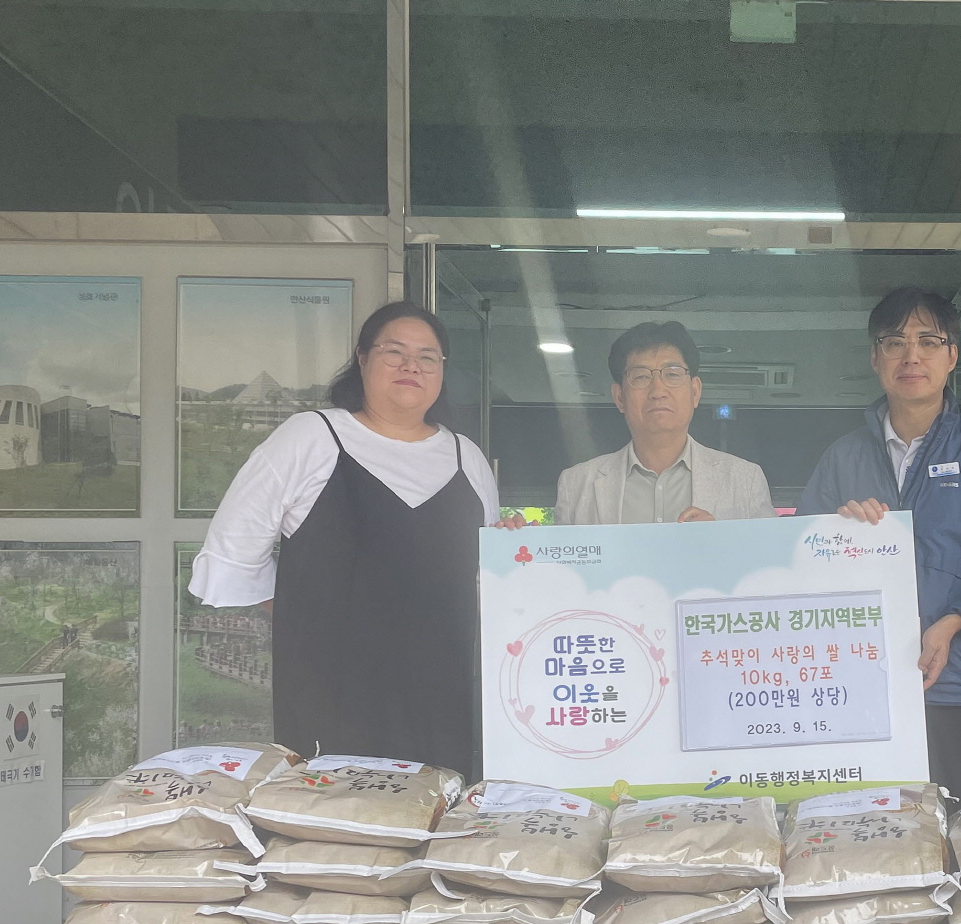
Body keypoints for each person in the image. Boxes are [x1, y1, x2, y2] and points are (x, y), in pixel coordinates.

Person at [190, 301, 502, 773]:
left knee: (436, 820)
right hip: (330, 690)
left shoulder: (467, 459)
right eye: (394, 352)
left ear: (441, 370)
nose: (410, 366)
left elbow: (485, 580)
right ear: (362, 358)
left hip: (440, 691)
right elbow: (235, 548)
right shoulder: (312, 437)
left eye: (428, 357)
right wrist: (313, 614)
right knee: (337, 825)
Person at [797, 288, 961, 805]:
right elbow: (801, 564)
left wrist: (952, 624)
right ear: (875, 357)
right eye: (895, 342)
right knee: (878, 845)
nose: (911, 356)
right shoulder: (841, 459)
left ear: (952, 356)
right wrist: (836, 536)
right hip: (863, 691)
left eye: (929, 341)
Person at [555, 320, 774, 524]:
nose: (658, 391)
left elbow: (771, 560)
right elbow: (558, 564)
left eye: (672, 374)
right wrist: (521, 539)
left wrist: (722, 542)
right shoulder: (576, 485)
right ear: (620, 397)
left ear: (695, 391)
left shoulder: (745, 479)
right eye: (641, 376)